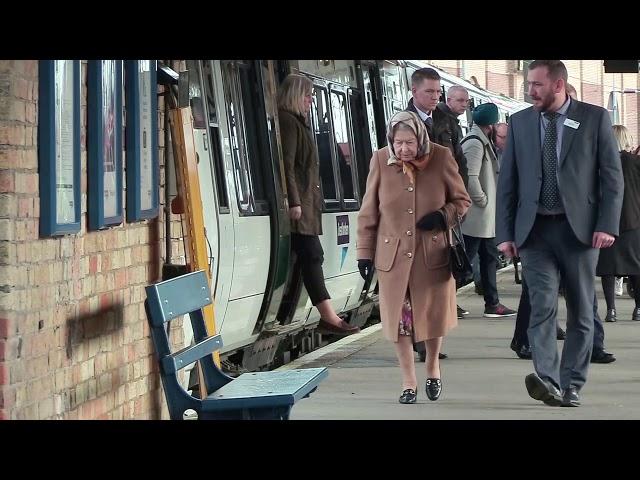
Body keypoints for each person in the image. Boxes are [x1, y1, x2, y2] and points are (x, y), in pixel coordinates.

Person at [496, 60, 623, 407]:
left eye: (537, 85)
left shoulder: (594, 118)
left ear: (558, 85)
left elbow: (612, 178)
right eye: (528, 84)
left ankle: (573, 384)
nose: (529, 91)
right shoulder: (520, 122)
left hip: (578, 232)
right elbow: (508, 183)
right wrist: (505, 234)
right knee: (542, 307)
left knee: (582, 311)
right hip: (534, 232)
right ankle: (548, 381)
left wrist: (607, 224)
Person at [356, 111, 470, 403]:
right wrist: (364, 253)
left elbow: (462, 200)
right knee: (400, 323)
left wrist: (442, 216)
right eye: (398, 143)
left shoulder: (441, 158)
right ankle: (408, 382)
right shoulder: (380, 160)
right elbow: (369, 211)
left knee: (431, 318)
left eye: (409, 142)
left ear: (421, 138)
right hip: (392, 258)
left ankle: (432, 367)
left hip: (431, 254)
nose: (404, 149)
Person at [278, 73, 360, 336]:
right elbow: (286, 165)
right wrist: (294, 201)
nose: (311, 100)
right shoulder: (288, 122)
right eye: (307, 95)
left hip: (307, 203)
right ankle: (329, 318)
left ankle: (321, 316)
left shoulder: (299, 123)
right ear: (295, 96)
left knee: (310, 256)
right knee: (312, 255)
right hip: (299, 204)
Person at [406, 67, 469, 327]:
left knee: (440, 275)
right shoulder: (402, 122)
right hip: (413, 211)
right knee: (416, 278)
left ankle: (430, 337)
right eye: (430, 91)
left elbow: (459, 161)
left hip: (443, 211)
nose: (435, 97)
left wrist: (458, 197)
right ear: (414, 91)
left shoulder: (446, 121)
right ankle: (419, 338)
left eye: (438, 91)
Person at [461, 103, 516, 317]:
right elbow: (470, 177)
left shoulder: (481, 141)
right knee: (464, 262)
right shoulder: (474, 144)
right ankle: (444, 301)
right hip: (476, 217)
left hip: (484, 217)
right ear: (491, 125)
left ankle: (492, 303)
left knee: (489, 258)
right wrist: (482, 200)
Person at [596, 125, 640, 322]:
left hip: (608, 221)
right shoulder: (635, 162)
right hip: (634, 220)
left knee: (608, 268)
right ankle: (638, 308)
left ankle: (611, 310)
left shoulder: (602, 162)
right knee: (636, 267)